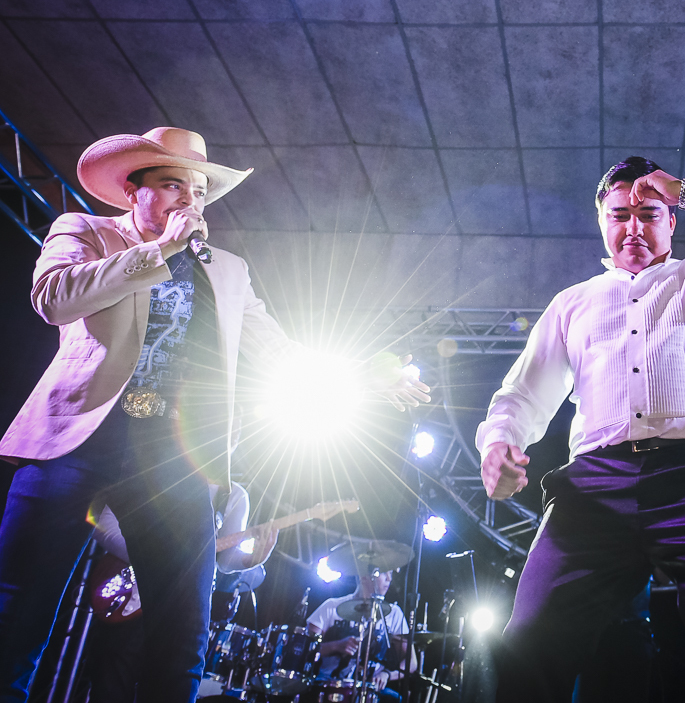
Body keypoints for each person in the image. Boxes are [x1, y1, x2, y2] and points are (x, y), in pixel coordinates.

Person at [0, 128, 429, 703]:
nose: (188, 200)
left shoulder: (226, 269)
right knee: (17, 605)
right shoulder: (84, 232)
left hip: (173, 458)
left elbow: (277, 347)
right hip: (78, 440)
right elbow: (54, 299)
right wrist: (159, 252)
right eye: (172, 184)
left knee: (183, 631)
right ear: (135, 192)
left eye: (199, 191)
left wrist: (365, 379)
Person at [476, 157, 685, 702]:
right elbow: (523, 393)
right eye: (618, 214)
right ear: (601, 220)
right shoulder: (571, 304)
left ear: (672, 220)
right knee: (529, 644)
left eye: (649, 213)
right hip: (596, 484)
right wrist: (499, 443)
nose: (632, 228)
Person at [86, 482, 278, 703]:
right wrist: (154, 560)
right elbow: (101, 521)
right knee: (111, 687)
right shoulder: (160, 468)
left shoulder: (234, 495)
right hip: (135, 596)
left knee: (173, 685)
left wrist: (252, 560)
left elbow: (224, 560)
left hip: (185, 608)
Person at [307, 569, 411, 697]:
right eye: (384, 573)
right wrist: (336, 646)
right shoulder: (331, 606)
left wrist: (387, 674)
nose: (389, 579)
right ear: (364, 576)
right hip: (329, 687)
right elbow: (304, 650)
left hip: (370, 690)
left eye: (391, 574)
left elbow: (411, 662)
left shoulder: (394, 613)